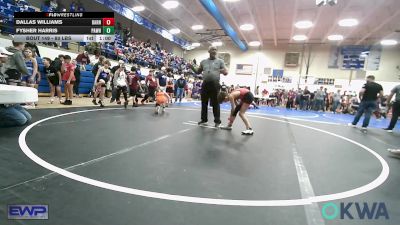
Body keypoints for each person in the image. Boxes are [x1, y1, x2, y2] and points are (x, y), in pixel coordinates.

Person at [191, 46, 228, 127]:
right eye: (213, 49)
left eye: (215, 50)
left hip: (215, 84)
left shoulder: (220, 61)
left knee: (216, 103)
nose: (214, 51)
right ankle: (204, 120)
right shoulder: (203, 61)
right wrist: (192, 67)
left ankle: (217, 121)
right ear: (209, 51)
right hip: (205, 84)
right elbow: (198, 72)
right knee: (204, 103)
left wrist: (219, 70)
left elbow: (226, 72)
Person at [0, 48, 32, 127]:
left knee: (28, 118)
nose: (8, 57)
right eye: (6, 55)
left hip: (7, 102)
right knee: (22, 120)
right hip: (2, 104)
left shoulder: (1, 71)